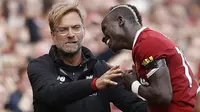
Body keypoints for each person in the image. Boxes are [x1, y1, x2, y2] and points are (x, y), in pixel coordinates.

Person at [27, 3, 148, 112]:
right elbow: (52, 95)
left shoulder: (102, 70)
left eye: (76, 27)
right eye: (63, 29)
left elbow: (136, 107)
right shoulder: (39, 66)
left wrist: (142, 87)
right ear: (53, 35)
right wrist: (95, 84)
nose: (71, 34)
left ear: (84, 31)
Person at [101, 4, 198, 112]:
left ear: (120, 21)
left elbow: (163, 96)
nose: (104, 39)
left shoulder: (147, 43)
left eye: (105, 29)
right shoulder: (144, 42)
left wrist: (133, 84)